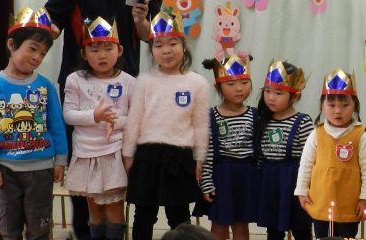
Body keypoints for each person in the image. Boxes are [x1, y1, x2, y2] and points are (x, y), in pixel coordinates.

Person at [44, 0, 162, 240]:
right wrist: (34, 42)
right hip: (79, 81)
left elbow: (153, 37)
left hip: (125, 83)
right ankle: (84, 232)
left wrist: (141, 22)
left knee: (121, 163)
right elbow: (53, 20)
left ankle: (116, 231)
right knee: (82, 160)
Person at [0, 7, 69, 239]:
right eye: (32, 49)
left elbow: (56, 124)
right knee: (8, 228)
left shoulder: (45, 86)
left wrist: (60, 159)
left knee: (40, 228)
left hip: (42, 170)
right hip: (6, 170)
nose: (37, 57)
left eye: (43, 53)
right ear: (12, 45)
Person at [122, 12, 210, 240]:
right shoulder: (144, 80)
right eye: (159, 45)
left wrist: (200, 158)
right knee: (143, 214)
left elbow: (201, 125)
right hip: (147, 155)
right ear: (151, 50)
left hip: (180, 157)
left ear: (184, 46)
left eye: (173, 43)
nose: (166, 50)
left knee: (179, 217)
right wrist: (128, 153)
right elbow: (134, 120)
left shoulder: (198, 83)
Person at [63, 17, 134, 240]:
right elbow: (69, 115)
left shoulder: (129, 82)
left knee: (114, 210)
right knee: (94, 212)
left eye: (108, 48)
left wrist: (115, 121)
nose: (102, 55)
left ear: (119, 50)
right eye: (94, 50)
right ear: (84, 54)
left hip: (115, 153)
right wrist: (95, 115)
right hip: (86, 153)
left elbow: (137, 119)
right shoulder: (75, 79)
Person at [295, 68, 366, 239]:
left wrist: (365, 198)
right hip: (320, 202)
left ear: (355, 106)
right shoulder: (316, 134)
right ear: (322, 107)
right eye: (331, 105)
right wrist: (301, 191)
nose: (338, 111)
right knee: (322, 237)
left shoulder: (361, 135)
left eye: (345, 105)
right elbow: (306, 165)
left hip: (349, 205)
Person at [193, 55, 258, 240]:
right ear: (218, 87)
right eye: (231, 84)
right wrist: (206, 182)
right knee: (219, 224)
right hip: (221, 176)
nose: (239, 88)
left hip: (246, 177)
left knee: (241, 224)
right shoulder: (211, 116)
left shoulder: (255, 115)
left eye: (244, 82)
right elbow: (206, 152)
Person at [254, 60, 314, 240]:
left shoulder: (303, 122)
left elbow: (310, 159)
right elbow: (259, 155)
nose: (271, 97)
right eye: (267, 91)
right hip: (270, 182)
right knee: (273, 231)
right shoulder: (262, 119)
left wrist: (307, 188)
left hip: (293, 181)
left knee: (301, 229)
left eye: (278, 93)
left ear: (295, 96)